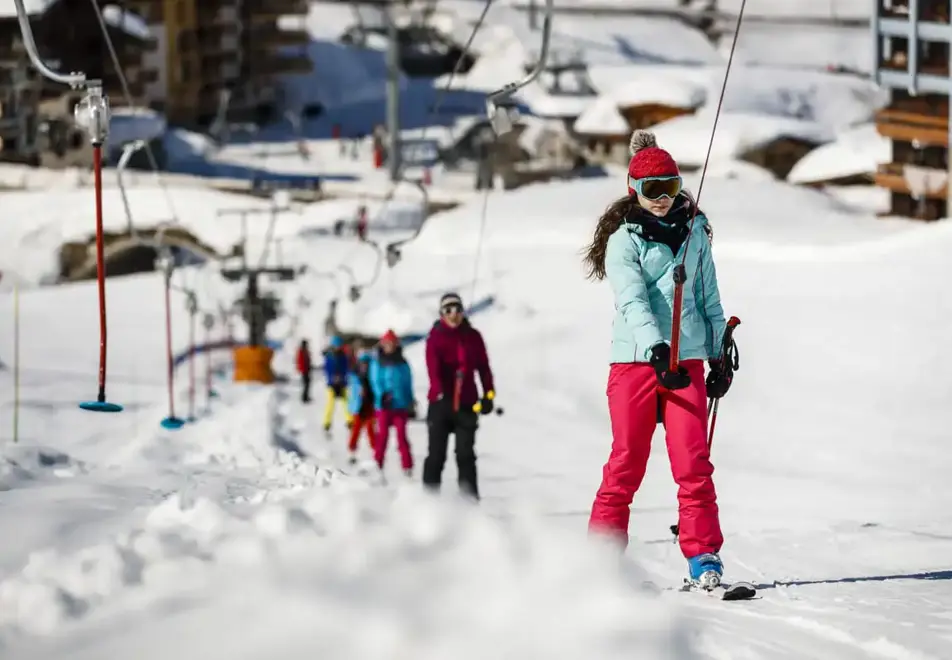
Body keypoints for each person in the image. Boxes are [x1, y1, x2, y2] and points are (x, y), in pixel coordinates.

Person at [581, 129, 734, 589]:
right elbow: (633, 301)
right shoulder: (624, 240)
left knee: (694, 464)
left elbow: (708, 299)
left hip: (684, 363)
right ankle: (601, 560)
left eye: (670, 187)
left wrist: (717, 355)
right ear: (635, 190)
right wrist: (655, 348)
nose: (663, 199)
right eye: (653, 190)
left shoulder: (695, 232)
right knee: (626, 461)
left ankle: (703, 554)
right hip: (637, 362)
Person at [422, 293, 495, 500]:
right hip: (441, 403)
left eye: (457, 310)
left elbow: (483, 368)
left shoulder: (473, 337)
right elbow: (433, 368)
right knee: (436, 456)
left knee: (465, 455)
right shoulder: (435, 338)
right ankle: (428, 503)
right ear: (441, 314)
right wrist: (439, 390)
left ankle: (469, 504)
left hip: (467, 404)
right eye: (448, 310)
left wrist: (488, 394)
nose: (453, 315)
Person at [369, 330, 415, 477]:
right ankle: (378, 464)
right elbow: (375, 381)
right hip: (383, 406)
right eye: (387, 343)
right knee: (382, 436)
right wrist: (381, 395)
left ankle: (407, 467)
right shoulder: (377, 361)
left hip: (400, 405)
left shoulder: (402, 362)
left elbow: (407, 383)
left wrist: (410, 401)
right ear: (383, 344)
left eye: (392, 343)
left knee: (402, 437)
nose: (390, 346)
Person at [346, 349, 377, 464]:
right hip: (359, 408)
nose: (365, 366)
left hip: (370, 407)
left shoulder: (373, 377)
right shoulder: (354, 377)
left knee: (371, 430)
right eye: (363, 363)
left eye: (367, 363)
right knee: (356, 429)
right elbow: (352, 394)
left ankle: (375, 451)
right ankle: (352, 451)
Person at [322, 335, 352, 436]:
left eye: (339, 346)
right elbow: (327, 369)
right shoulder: (329, 356)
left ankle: (350, 420)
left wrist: (342, 377)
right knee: (330, 404)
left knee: (346, 402)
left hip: (342, 383)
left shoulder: (343, 356)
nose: (338, 347)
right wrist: (333, 378)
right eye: (336, 345)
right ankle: (327, 422)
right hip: (331, 384)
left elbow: (346, 368)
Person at [296, 338, 313, 403]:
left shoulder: (305, 351)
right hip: (304, 370)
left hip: (306, 369)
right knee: (306, 384)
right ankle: (304, 398)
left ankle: (306, 397)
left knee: (307, 384)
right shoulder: (302, 351)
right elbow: (300, 361)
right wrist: (302, 368)